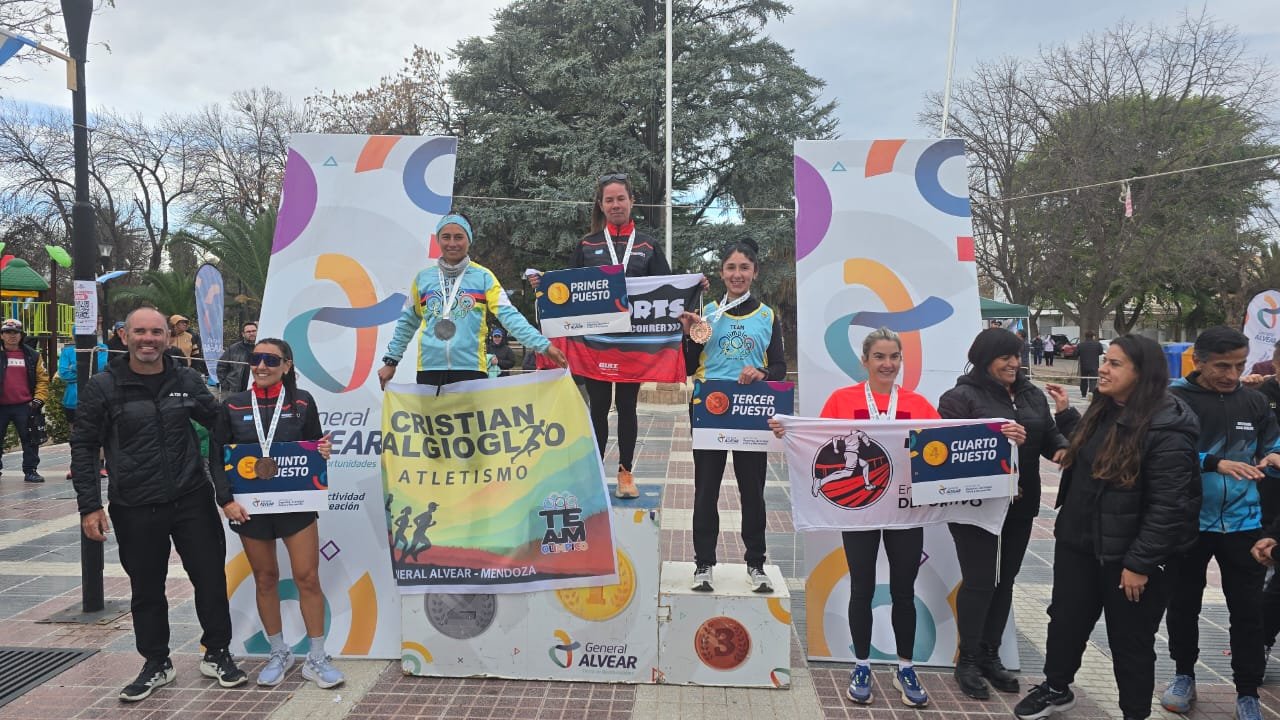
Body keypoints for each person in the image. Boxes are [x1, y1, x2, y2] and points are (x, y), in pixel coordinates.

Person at [1013, 336, 1200, 720]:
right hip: (1078, 541)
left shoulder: (1168, 426)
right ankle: (1056, 687)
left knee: (1130, 641)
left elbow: (1170, 505)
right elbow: (1095, 454)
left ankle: (1134, 712)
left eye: (1115, 363)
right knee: (1065, 621)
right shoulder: (1105, 406)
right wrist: (1067, 417)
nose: (1102, 368)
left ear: (1142, 373)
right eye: (1104, 360)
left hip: (1129, 557)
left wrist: (1140, 563)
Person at [71, 307, 246, 702]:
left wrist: (292, 436)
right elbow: (83, 446)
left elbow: (222, 424)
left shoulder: (186, 379)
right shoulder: (103, 386)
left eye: (156, 332)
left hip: (191, 498)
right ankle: (156, 662)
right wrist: (89, 505)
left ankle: (217, 652)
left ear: (167, 337)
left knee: (210, 579)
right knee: (147, 587)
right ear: (125, 336)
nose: (148, 339)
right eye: (140, 332)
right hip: (134, 504)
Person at [769, 327, 938, 708]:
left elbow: (941, 449)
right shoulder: (842, 400)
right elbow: (816, 441)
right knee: (862, 588)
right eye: (879, 357)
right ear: (864, 361)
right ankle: (861, 665)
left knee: (904, 592)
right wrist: (787, 431)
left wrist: (1002, 435)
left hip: (905, 512)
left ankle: (905, 667)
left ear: (901, 360)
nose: (887, 364)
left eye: (893, 357)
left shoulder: (918, 404)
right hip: (860, 512)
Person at [938, 327, 1068, 700]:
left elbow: (1049, 437)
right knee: (980, 581)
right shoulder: (959, 398)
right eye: (1005, 357)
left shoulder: (1031, 395)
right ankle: (967, 659)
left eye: (1017, 356)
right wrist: (999, 441)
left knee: (1004, 581)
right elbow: (948, 453)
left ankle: (990, 655)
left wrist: (1063, 448)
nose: (1014, 363)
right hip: (976, 508)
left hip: (1021, 505)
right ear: (984, 360)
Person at [1159, 326, 1280, 720]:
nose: (1233, 374)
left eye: (1240, 365)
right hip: (1188, 521)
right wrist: (1213, 463)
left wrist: (1274, 458)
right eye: (1223, 366)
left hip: (1245, 524)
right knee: (1183, 605)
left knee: (1248, 612)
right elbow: (1161, 453)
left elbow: (1272, 444)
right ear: (1198, 360)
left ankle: (1247, 692)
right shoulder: (1174, 399)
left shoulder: (1254, 401)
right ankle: (1183, 675)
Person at [209, 338, 343, 689]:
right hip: (250, 508)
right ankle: (278, 651)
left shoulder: (302, 402)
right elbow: (216, 457)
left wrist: (323, 450)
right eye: (256, 359)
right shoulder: (233, 404)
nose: (261, 366)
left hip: (295, 505)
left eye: (271, 360)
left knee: (307, 577)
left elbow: (315, 446)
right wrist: (225, 500)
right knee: (266, 578)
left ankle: (317, 656)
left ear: (287, 365)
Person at [532, 173, 672, 499]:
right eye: (609, 200)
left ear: (632, 201)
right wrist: (544, 285)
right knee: (598, 407)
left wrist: (695, 287)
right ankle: (594, 473)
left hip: (632, 344)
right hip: (595, 344)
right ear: (601, 204)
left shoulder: (648, 246)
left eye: (621, 198)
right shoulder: (587, 245)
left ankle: (625, 472)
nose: (615, 204)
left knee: (627, 406)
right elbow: (566, 290)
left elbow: (667, 289)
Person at [677, 238, 785, 595]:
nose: (737, 274)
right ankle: (704, 563)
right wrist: (688, 336)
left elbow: (779, 367)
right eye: (731, 268)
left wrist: (762, 373)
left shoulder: (767, 316)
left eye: (744, 268)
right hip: (710, 407)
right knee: (706, 488)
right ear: (722, 273)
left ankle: (756, 563)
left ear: (754, 272)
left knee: (752, 490)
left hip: (750, 410)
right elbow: (688, 366)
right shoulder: (707, 314)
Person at [378, 213, 566, 390]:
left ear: (469, 240)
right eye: (446, 237)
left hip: (471, 369)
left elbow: (509, 316)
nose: (452, 243)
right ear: (438, 240)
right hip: (429, 370)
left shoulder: (484, 277)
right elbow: (407, 323)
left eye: (459, 237)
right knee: (431, 417)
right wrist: (391, 361)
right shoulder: (423, 279)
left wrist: (543, 346)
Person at [0, 319, 50, 483]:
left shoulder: (33, 355)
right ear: (2, 335)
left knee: (30, 440)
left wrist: (39, 399)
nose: (12, 336)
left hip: (25, 406)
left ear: (21, 335)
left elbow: (43, 380)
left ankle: (31, 471)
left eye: (16, 333)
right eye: (8, 332)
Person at [57, 338, 109, 479]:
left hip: (97, 397)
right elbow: (63, 373)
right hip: (72, 399)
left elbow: (100, 368)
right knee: (75, 434)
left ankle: (100, 465)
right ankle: (77, 466)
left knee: (100, 431)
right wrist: (82, 369)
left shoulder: (101, 348)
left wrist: (74, 367)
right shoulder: (68, 350)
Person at [218, 321, 258, 393]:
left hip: (257, 388)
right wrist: (226, 385)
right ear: (243, 334)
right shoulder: (233, 349)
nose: (251, 333)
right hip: (236, 390)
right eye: (248, 332)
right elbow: (221, 366)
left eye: (254, 331)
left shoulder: (263, 347)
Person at [1074, 331, 1105, 398]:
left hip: (1084, 365)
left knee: (1084, 379)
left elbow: (1075, 354)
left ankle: (1083, 394)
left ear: (1085, 336)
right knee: (1093, 379)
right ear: (1093, 336)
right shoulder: (1097, 344)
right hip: (1094, 365)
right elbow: (1100, 352)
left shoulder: (1080, 345)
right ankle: (1091, 392)